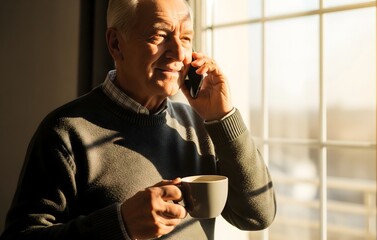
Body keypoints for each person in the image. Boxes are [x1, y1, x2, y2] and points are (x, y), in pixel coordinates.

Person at [0, 0, 276, 239]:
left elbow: (257, 215)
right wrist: (120, 225)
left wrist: (223, 117)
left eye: (186, 38)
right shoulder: (65, 132)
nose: (179, 53)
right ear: (116, 44)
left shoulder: (200, 125)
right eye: (160, 35)